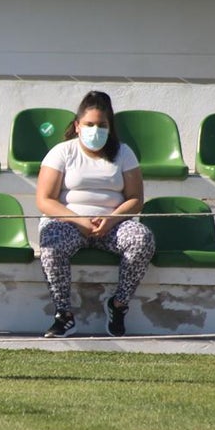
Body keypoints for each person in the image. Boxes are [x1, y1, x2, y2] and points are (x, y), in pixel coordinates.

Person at [35, 90, 155, 338]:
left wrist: (111, 220)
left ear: (110, 127)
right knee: (50, 244)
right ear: (77, 126)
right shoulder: (62, 152)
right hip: (69, 223)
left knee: (142, 239)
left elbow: (135, 199)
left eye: (101, 125)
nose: (95, 130)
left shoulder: (124, 153)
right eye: (89, 124)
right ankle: (63, 315)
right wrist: (79, 221)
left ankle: (119, 305)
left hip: (112, 225)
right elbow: (44, 200)